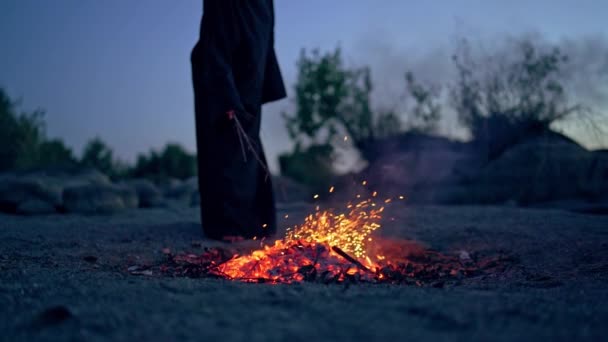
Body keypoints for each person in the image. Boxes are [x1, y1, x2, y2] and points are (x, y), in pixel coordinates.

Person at [190, 1, 286, 241]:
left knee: (248, 139)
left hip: (252, 72)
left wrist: (265, 79)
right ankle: (227, 225)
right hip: (219, 74)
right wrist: (226, 96)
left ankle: (258, 223)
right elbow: (213, 39)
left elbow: (267, 38)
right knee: (226, 140)